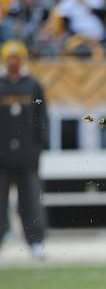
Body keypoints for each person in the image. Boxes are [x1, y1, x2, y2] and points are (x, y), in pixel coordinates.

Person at [0, 40, 48, 260]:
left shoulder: (32, 85)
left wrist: (40, 146)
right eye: (10, 57)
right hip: (2, 154)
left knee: (30, 201)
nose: (13, 61)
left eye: (17, 56)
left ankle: (35, 242)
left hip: (28, 153)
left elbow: (42, 117)